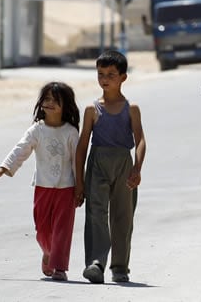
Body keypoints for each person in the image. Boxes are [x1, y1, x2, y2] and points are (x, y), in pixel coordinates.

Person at [0, 82, 80, 281]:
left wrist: (80, 188)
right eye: (46, 99)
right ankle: (48, 252)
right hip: (42, 187)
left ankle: (59, 267)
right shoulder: (37, 130)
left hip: (66, 188)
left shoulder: (71, 132)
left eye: (55, 100)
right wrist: (4, 167)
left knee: (62, 231)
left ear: (66, 106)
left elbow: (77, 162)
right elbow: (21, 148)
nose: (49, 103)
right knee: (42, 231)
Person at [74, 50, 146, 284]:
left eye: (111, 74)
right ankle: (96, 263)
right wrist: (79, 181)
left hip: (123, 164)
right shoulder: (92, 110)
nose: (105, 78)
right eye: (101, 74)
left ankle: (120, 267)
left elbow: (141, 140)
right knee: (96, 212)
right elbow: (82, 145)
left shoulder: (131, 108)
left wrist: (137, 168)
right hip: (97, 163)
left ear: (123, 77)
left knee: (123, 216)